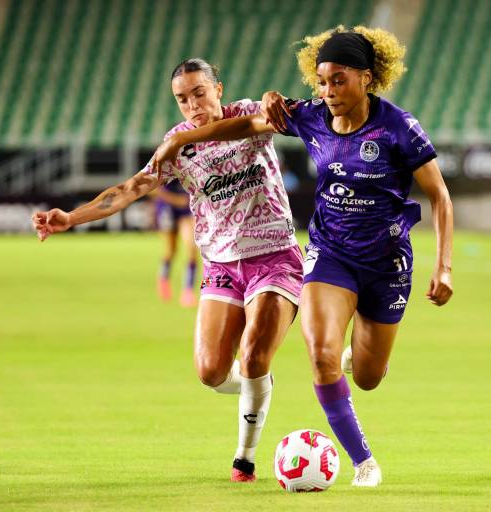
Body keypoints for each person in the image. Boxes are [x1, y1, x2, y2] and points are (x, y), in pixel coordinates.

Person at [152, 26, 454, 487]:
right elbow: (248, 124)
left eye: (338, 81)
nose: (328, 91)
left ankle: (365, 356)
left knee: (368, 377)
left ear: (367, 78)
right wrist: (179, 141)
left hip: (386, 261)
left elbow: (440, 196)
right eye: (322, 81)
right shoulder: (312, 115)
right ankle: (364, 462)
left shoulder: (398, 127)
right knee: (320, 355)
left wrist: (444, 266)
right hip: (330, 254)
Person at [31, 58, 304, 482]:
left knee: (252, 355)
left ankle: (244, 458)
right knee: (211, 372)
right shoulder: (175, 145)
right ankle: (259, 383)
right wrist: (72, 217)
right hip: (221, 265)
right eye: (182, 99)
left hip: (274, 256)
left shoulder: (248, 114)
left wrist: (271, 99)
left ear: (218, 89)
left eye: (199, 93)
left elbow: (268, 120)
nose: (192, 105)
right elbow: (132, 188)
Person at [152, 180, 199, 307]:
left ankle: (188, 291)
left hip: (186, 209)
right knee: (171, 250)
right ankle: (163, 278)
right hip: (167, 208)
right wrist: (174, 199)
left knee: (192, 249)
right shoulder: (165, 168)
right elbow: (153, 189)